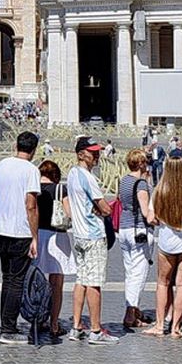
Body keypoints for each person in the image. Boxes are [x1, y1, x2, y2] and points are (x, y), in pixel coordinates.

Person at [0, 131, 41, 345]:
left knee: (7, 278)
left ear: (16, 145)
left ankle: (6, 324)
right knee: (16, 280)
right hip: (20, 231)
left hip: (1, 229)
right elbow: (31, 205)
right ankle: (8, 329)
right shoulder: (31, 170)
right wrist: (35, 237)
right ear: (34, 150)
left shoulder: (4, 164)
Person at [143, 153, 182, 338]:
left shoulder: (159, 192)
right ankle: (176, 328)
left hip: (166, 243)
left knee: (163, 283)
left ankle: (160, 325)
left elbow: (150, 218)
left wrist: (163, 222)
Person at [66, 136, 118, 344]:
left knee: (81, 280)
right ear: (81, 154)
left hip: (78, 233)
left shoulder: (71, 173)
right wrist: (108, 207)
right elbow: (104, 208)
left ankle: (77, 326)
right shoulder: (88, 178)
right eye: (92, 152)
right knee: (94, 283)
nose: (96, 155)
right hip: (93, 234)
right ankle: (96, 330)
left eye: (97, 152)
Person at [35, 160, 73, 339]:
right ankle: (54, 323)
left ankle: (37, 318)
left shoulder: (33, 189)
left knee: (37, 281)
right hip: (56, 236)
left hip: (37, 236)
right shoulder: (60, 190)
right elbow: (69, 214)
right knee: (56, 283)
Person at [118, 149, 154, 329]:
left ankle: (134, 309)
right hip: (139, 230)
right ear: (140, 164)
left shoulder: (124, 180)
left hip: (123, 229)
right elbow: (147, 212)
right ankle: (130, 313)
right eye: (145, 161)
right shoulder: (140, 184)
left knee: (129, 271)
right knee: (138, 274)